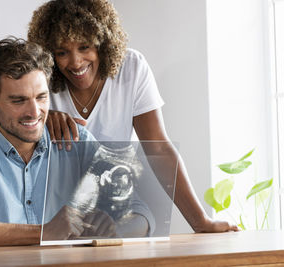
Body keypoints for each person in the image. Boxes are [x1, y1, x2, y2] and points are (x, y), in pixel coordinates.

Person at [27, 0, 239, 233]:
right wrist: (39, 117)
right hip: (54, 204)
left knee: (134, 228)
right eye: (62, 52)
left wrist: (201, 222)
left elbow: (158, 148)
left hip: (111, 197)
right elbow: (13, 139)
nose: (76, 62)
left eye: (85, 47)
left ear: (103, 43)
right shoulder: (40, 82)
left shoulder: (132, 68)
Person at [0, 37, 151, 247]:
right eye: (19, 100)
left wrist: (115, 227)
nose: (34, 112)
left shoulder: (77, 140)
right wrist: (43, 233)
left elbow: (141, 215)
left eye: (41, 97)